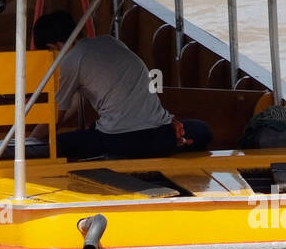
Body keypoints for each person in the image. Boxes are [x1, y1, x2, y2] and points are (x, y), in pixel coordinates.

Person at [30, 10, 212, 160]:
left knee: (57, 146)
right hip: (161, 135)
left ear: (52, 47)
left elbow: (56, 118)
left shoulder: (70, 61)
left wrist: (31, 142)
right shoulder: (110, 41)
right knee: (201, 129)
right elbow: (77, 103)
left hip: (120, 141)